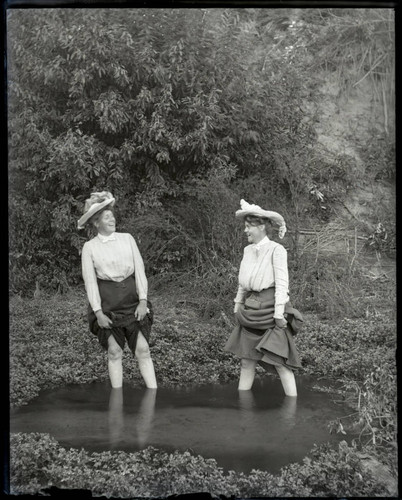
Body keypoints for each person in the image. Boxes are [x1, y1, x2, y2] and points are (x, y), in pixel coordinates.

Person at [78, 191, 157, 389]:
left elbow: (140, 270)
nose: (112, 218)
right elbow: (90, 283)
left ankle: (153, 394)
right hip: (108, 304)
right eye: (106, 216)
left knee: (143, 349)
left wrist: (143, 301)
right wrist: (98, 313)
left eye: (112, 215)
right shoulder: (90, 247)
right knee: (114, 351)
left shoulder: (127, 238)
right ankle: (117, 399)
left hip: (132, 300)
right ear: (96, 223)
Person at [224, 199, 303, 396]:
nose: (246, 231)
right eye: (245, 226)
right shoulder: (247, 250)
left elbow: (282, 284)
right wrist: (237, 305)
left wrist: (278, 314)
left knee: (280, 363)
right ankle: (243, 411)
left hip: (270, 310)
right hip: (251, 310)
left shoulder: (277, 250)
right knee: (246, 361)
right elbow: (243, 281)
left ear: (261, 227)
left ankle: (291, 412)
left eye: (249, 226)